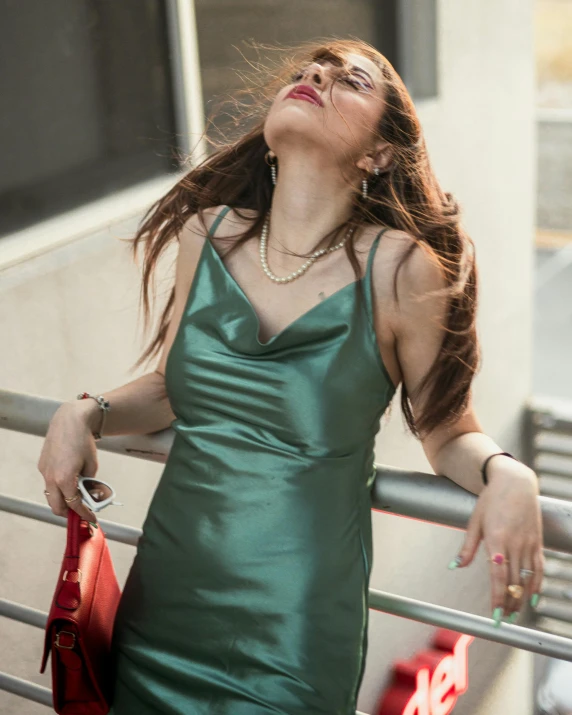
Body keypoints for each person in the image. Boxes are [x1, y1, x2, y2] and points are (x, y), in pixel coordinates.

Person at [37, 38, 544, 714]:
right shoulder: (206, 233)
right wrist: (84, 411)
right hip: (167, 599)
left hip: (295, 630)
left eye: (350, 80)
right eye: (312, 69)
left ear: (379, 154)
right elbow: (171, 389)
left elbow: (448, 430)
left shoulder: (400, 271)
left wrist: (509, 472)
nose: (316, 75)